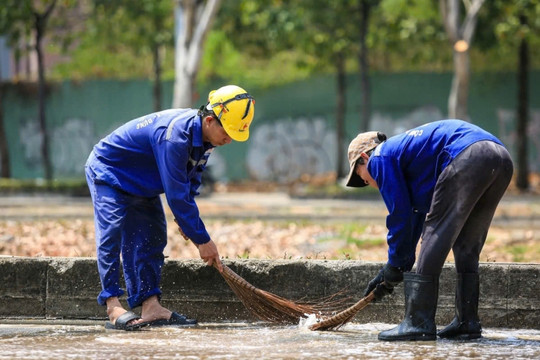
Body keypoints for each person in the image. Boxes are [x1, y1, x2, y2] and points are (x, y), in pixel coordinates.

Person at [84, 85, 255, 330]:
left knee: (152, 236)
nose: (229, 140)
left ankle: (150, 306)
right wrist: (202, 239)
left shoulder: (204, 139)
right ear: (209, 120)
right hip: (110, 171)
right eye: (228, 132)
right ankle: (112, 304)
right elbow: (176, 196)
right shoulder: (175, 136)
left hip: (142, 180)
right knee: (112, 231)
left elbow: (190, 181)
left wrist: (186, 223)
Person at [345, 119, 513, 341]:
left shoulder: (379, 157)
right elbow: (412, 216)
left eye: (360, 177)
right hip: (499, 157)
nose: (368, 182)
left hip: (468, 155)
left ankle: (418, 322)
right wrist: (397, 266)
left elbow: (399, 215)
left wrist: (395, 263)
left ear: (364, 158)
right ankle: (467, 322)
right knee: (466, 244)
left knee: (434, 230)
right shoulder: (408, 156)